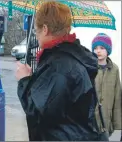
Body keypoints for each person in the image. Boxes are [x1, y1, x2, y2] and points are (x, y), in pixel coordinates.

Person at [15, 1, 106, 141]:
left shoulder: (59, 66)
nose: (36, 35)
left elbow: (39, 112)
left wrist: (24, 81)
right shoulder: (70, 56)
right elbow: (57, 102)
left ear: (45, 29)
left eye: (36, 30)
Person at [92, 33, 121, 137]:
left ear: (108, 50)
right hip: (91, 124)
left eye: (102, 48)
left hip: (107, 124)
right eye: (95, 48)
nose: (98, 51)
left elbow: (117, 99)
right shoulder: (89, 67)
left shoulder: (115, 69)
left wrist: (118, 128)